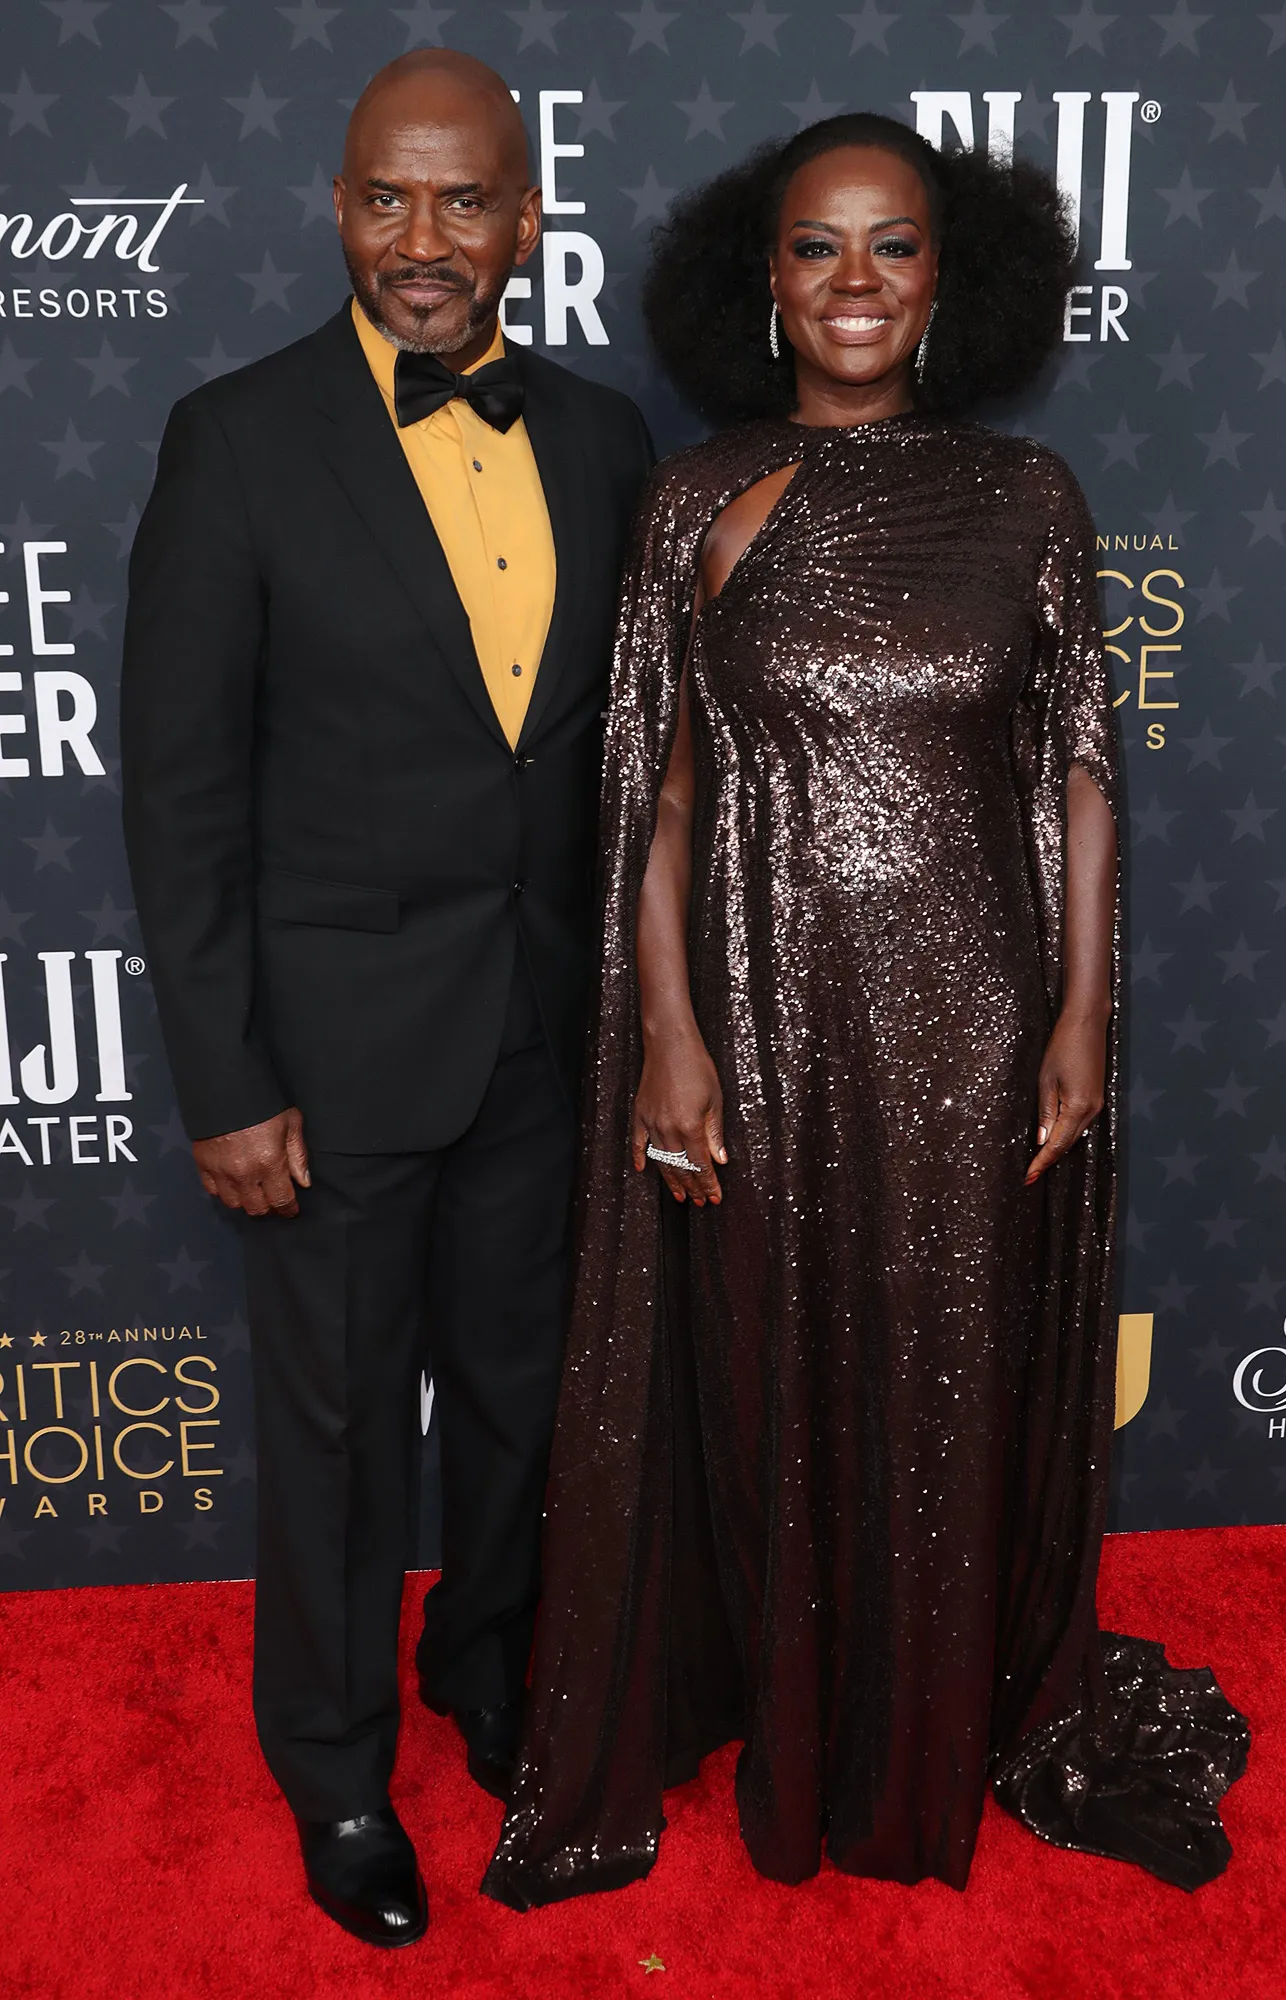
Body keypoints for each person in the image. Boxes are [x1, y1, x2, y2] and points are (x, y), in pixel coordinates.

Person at [483, 116, 1247, 1910]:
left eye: (890, 247)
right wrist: (670, 1035)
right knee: (766, 1374)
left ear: (946, 276)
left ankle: (920, 1736)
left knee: (948, 1387)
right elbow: (656, 800)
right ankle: (796, 1711)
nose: (852, 283)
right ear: (761, 280)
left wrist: (1079, 1019)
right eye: (815, 247)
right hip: (759, 1018)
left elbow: (1078, 776)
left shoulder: (1028, 499)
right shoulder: (699, 498)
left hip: (980, 1028)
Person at [120, 50, 652, 1948]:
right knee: (340, 1434)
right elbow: (178, 795)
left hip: (544, 1033)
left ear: (527, 218)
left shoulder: (602, 443)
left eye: (463, 202)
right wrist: (223, 1077)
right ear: (339, 209)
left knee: (518, 1400)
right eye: (384, 200)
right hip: (328, 1064)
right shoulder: (237, 439)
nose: (422, 243)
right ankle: (337, 1772)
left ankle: (482, 1669)